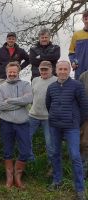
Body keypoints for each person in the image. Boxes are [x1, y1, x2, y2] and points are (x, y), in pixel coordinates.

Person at [46, 61, 88, 200]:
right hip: (55, 126)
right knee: (55, 153)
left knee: (75, 156)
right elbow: (48, 104)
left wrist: (76, 121)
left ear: (69, 70)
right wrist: (54, 117)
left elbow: (84, 107)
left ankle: (80, 189)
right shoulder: (51, 87)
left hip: (72, 127)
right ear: (56, 71)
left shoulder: (77, 85)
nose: (63, 71)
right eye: (60, 69)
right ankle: (57, 181)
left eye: (65, 69)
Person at [0, 62, 33, 188]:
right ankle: (10, 178)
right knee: (7, 151)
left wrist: (10, 100)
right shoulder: (1, 87)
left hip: (23, 123)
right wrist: (20, 102)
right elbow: (0, 105)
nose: (12, 74)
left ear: (18, 72)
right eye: (9, 72)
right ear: (6, 72)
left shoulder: (26, 84)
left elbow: (28, 100)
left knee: (26, 151)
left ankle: (18, 176)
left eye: (14, 72)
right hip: (6, 123)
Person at [28, 61, 57, 174]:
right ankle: (31, 162)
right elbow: (32, 96)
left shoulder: (56, 80)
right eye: (42, 69)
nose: (44, 71)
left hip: (48, 118)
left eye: (46, 69)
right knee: (26, 139)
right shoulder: (35, 80)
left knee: (50, 143)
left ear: (51, 69)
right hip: (33, 115)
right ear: (39, 70)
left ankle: (52, 166)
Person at [69, 10, 88, 80]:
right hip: (80, 71)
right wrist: (73, 62)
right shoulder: (76, 35)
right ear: (83, 20)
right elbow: (71, 52)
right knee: (80, 90)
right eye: (86, 19)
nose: (87, 21)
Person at [79, 70, 88, 179]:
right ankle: (83, 173)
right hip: (86, 117)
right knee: (84, 144)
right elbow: (79, 96)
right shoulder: (84, 76)